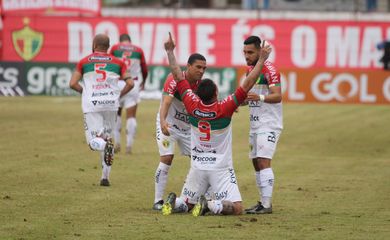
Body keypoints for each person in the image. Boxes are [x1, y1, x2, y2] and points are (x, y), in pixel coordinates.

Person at [161, 32, 272, 216]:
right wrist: (262, 59)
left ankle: (177, 203)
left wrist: (170, 52)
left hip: (197, 166)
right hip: (220, 168)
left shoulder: (191, 103)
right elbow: (248, 83)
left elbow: (178, 76)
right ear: (215, 94)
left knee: (188, 204)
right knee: (237, 208)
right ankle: (212, 206)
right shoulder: (224, 107)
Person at [69, 34, 134, 186]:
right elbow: (130, 83)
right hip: (111, 104)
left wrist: (85, 92)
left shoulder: (84, 62)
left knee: (94, 142)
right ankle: (105, 177)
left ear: (94, 44)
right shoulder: (118, 62)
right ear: (108, 46)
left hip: (92, 104)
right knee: (106, 136)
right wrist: (118, 95)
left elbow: (72, 83)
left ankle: (105, 145)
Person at [152, 52, 207, 210]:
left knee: (201, 160)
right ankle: (157, 200)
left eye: (204, 68)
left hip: (187, 129)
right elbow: (166, 102)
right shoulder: (174, 79)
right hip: (168, 125)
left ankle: (198, 196)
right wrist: (163, 122)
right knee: (167, 158)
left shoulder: (201, 85)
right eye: (198, 67)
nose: (201, 71)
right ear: (188, 66)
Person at [242, 36, 283, 214]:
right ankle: (262, 202)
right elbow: (248, 95)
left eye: (250, 52)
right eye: (244, 52)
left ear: (260, 51)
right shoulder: (250, 70)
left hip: (269, 123)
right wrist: (238, 104)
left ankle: (266, 205)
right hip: (255, 123)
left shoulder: (270, 69)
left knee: (263, 161)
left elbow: (277, 95)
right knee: (255, 162)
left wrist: (259, 97)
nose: (246, 55)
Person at [109, 33, 148, 154]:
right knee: (131, 116)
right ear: (130, 41)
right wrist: (144, 82)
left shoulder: (115, 48)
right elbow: (144, 69)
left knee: (117, 114)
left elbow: (109, 64)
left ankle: (117, 143)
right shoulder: (138, 50)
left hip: (117, 83)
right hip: (133, 84)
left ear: (120, 41)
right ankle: (129, 146)